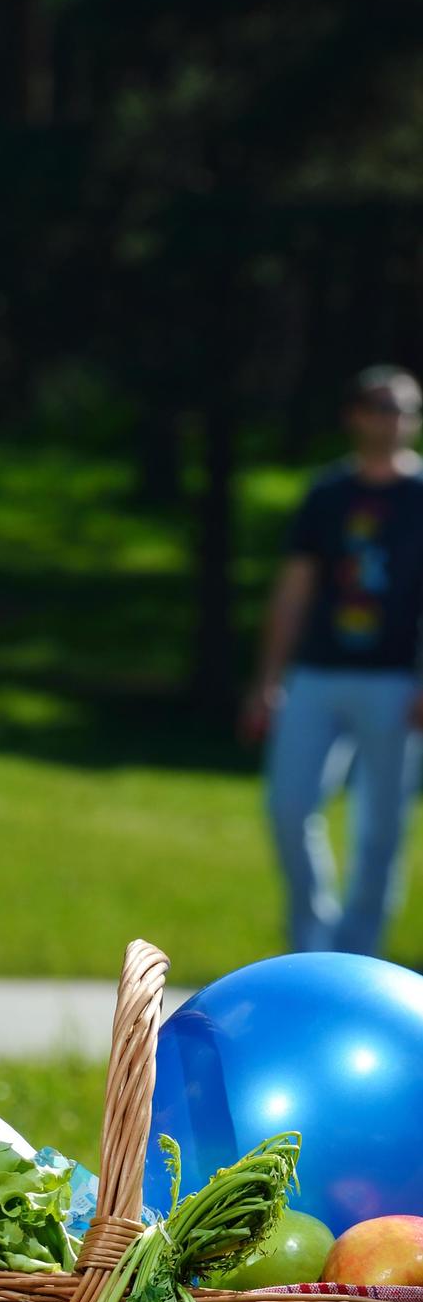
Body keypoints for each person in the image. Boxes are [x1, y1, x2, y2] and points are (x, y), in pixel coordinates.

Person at [244, 365, 423, 956]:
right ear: (354, 415)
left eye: (402, 408)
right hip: (317, 674)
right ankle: (313, 946)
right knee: (290, 807)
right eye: (379, 407)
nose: (390, 419)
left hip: (397, 680)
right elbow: (295, 587)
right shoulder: (327, 494)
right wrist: (268, 679)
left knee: (381, 829)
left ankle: (358, 955)